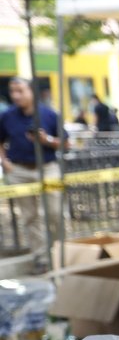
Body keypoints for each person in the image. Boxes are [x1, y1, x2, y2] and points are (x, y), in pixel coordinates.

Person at [0, 77, 66, 271]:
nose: (16, 95)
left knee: (55, 212)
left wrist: (47, 140)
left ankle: (59, 252)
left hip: (48, 168)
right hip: (19, 170)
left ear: (31, 91)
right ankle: (41, 258)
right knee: (29, 216)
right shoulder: (7, 116)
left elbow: (65, 142)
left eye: (20, 90)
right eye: (13, 91)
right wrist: (4, 161)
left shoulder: (49, 114)